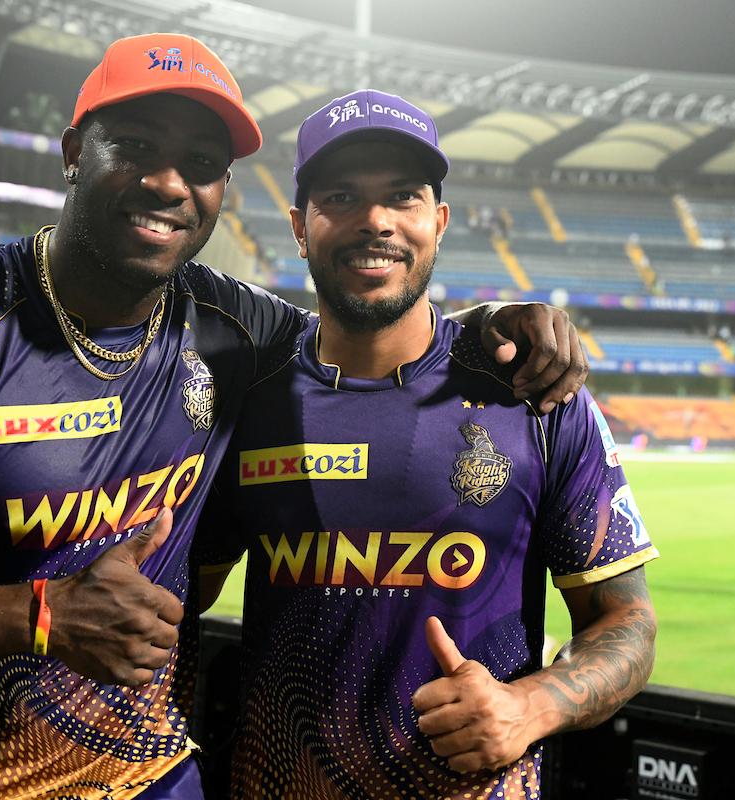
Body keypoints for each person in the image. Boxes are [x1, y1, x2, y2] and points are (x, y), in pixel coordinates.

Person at [0, 35, 586, 800]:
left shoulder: (238, 328)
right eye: (138, 147)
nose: (168, 183)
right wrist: (37, 617)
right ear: (76, 153)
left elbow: (370, 328)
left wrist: (492, 324)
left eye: (200, 162)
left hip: (155, 778)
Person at [196, 90, 658, 799]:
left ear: (437, 222)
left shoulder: (537, 397)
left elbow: (626, 624)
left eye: (403, 197)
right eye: (342, 196)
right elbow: (177, 593)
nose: (375, 221)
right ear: (299, 225)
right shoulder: (250, 403)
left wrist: (527, 707)